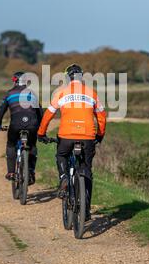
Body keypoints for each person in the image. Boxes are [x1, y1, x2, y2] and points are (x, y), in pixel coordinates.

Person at [37, 64, 106, 220]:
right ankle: (86, 209)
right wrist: (100, 135)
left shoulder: (61, 93)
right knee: (87, 171)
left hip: (66, 136)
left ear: (68, 78)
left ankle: (64, 178)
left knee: (61, 155)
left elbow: (48, 115)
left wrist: (41, 133)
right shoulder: (92, 93)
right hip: (88, 136)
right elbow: (102, 117)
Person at [0, 71, 43, 183]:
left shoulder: (9, 93)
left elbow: (1, 109)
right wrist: (40, 126)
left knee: (11, 144)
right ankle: (30, 171)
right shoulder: (32, 94)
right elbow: (40, 112)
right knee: (32, 146)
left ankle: (11, 172)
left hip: (15, 124)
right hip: (32, 124)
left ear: (14, 81)